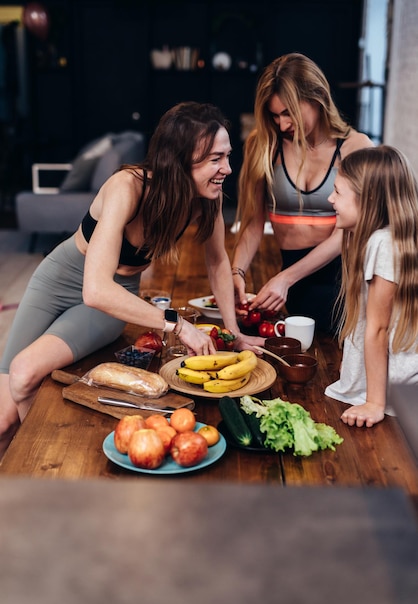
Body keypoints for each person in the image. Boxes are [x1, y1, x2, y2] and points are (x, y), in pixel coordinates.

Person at [0, 101, 263, 457]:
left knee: (24, 372)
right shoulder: (128, 187)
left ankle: (37, 463)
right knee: (2, 418)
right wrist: (180, 325)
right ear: (181, 159)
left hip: (114, 296)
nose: (227, 169)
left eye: (227, 156)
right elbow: (94, 286)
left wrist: (233, 333)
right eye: (216, 159)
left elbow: (218, 263)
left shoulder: (206, 199)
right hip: (58, 278)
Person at [232, 52, 374, 332]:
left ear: (318, 98)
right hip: (293, 285)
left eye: (289, 113)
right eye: (274, 116)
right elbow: (252, 221)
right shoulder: (263, 144)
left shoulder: (356, 147)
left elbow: (348, 232)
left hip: (345, 284)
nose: (283, 125)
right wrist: (236, 271)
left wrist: (286, 278)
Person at [325, 146, 418, 427]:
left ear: (368, 200)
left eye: (338, 192)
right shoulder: (385, 239)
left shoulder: (382, 244)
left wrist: (375, 403)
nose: (330, 199)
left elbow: (378, 328)